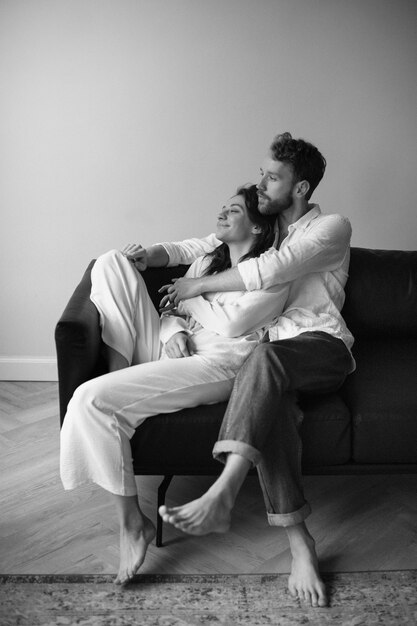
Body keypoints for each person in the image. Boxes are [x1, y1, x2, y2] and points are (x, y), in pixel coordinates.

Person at [128, 132, 355, 608]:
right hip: (268, 359)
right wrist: (156, 255)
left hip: (319, 347)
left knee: (264, 359)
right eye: (261, 175)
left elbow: (271, 272)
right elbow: (201, 243)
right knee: (268, 398)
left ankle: (224, 490)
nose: (262, 185)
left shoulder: (330, 228)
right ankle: (302, 547)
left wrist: (195, 289)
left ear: (301, 189)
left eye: (273, 178)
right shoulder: (265, 229)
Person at [60, 185, 291, 586]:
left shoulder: (270, 272)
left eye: (233, 210)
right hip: (176, 349)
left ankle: (133, 525)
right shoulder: (206, 260)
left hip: (217, 362)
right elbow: (171, 307)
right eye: (223, 206)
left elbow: (233, 325)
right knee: (110, 261)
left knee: (89, 400)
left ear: (256, 227)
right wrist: (171, 329)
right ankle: (120, 375)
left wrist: (190, 297)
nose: (221, 213)